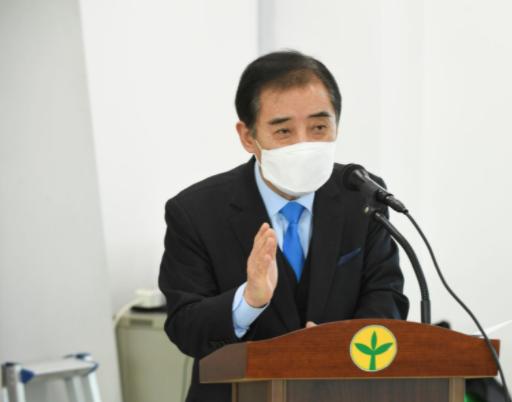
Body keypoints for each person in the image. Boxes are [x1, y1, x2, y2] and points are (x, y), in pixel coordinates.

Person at [158, 50, 409, 402]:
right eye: (284, 131)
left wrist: (342, 345)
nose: (304, 144)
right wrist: (248, 301)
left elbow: (387, 294)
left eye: (319, 128)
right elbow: (185, 327)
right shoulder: (195, 212)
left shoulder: (361, 194)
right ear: (248, 137)